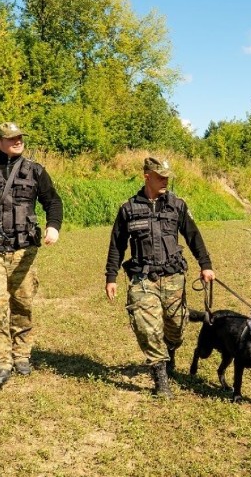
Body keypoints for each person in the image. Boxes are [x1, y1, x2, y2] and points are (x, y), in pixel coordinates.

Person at [0, 122, 63, 390]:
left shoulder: (35, 170)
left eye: (19, 137)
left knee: (22, 304)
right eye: (10, 138)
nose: (17, 141)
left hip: (23, 250)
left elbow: (53, 201)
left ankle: (21, 354)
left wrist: (53, 226)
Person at [104, 156, 215, 398]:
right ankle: (161, 379)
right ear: (147, 176)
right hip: (143, 278)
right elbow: (116, 245)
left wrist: (205, 265)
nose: (165, 181)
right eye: (160, 176)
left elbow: (194, 237)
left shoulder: (177, 205)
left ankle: (170, 351)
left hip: (174, 276)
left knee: (175, 328)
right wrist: (111, 276)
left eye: (167, 177)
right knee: (147, 329)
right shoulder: (129, 209)